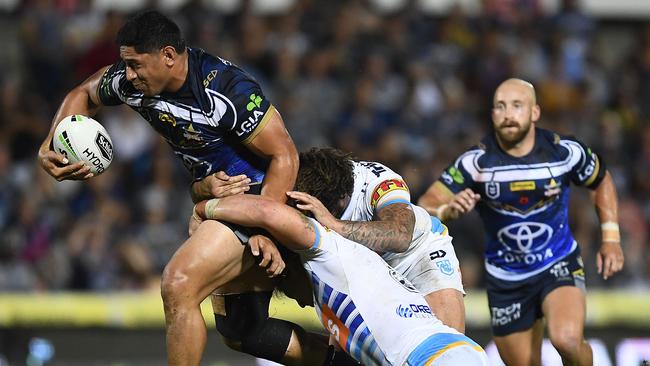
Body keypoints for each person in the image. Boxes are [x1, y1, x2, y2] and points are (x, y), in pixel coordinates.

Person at [37, 10, 343, 366]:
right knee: (246, 330)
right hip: (216, 198)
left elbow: (285, 155)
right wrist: (51, 140)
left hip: (256, 199)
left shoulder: (226, 88)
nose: (128, 75)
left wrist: (265, 227)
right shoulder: (132, 83)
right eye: (125, 65)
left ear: (168, 55)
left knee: (179, 283)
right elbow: (84, 94)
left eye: (136, 65)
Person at [417, 78, 625, 365]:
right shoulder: (475, 163)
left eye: (517, 105)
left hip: (557, 261)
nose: (508, 114)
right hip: (505, 278)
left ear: (535, 112)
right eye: (500, 107)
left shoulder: (563, 152)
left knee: (567, 340)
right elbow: (425, 206)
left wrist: (611, 238)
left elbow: (602, 181)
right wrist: (448, 211)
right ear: (492, 115)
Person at [191, 193, 489, 366]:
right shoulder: (355, 266)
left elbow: (268, 211)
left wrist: (204, 208)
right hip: (455, 352)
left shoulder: (327, 250)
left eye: (282, 281)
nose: (293, 297)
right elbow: (245, 334)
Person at [287, 147, 465, 332]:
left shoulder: (380, 181)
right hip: (366, 266)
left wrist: (334, 223)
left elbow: (400, 235)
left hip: (418, 255)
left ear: (342, 198)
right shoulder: (296, 187)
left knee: (447, 339)